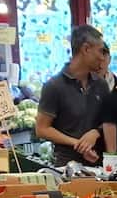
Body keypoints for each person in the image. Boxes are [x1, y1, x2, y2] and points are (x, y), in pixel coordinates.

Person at [36, 24, 109, 166]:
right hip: (66, 166)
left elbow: (108, 120)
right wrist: (77, 143)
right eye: (100, 51)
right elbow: (42, 129)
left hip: (99, 164)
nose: (102, 58)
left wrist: (96, 132)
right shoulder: (54, 86)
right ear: (86, 49)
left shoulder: (101, 85)